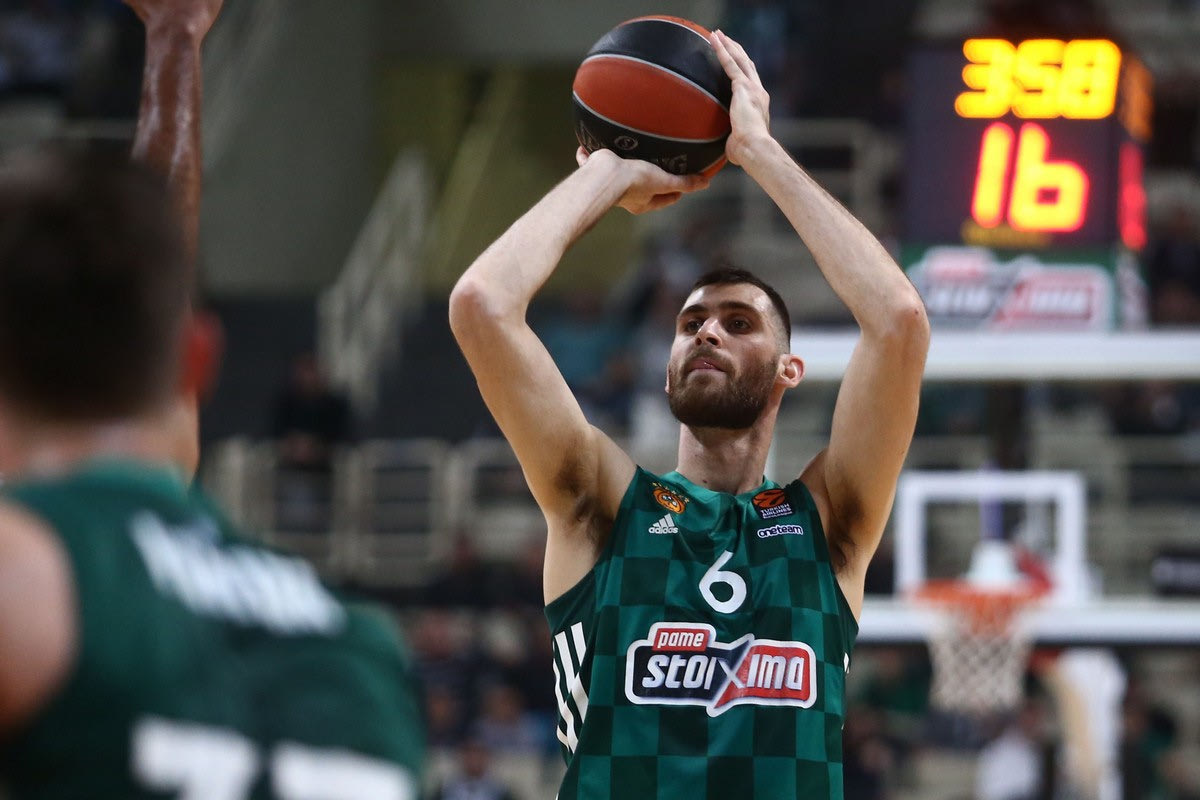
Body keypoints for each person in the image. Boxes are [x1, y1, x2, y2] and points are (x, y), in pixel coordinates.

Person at [449, 29, 929, 800]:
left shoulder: (827, 525)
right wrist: (609, 169)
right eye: (690, 323)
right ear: (665, 364)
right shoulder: (605, 507)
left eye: (739, 323)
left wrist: (759, 153)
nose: (707, 331)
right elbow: (482, 305)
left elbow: (899, 322)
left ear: (789, 371)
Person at [0, 2, 424, 796]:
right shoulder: (359, 651)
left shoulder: (29, 580)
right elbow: (144, 275)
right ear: (198, 361)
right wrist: (175, 38)